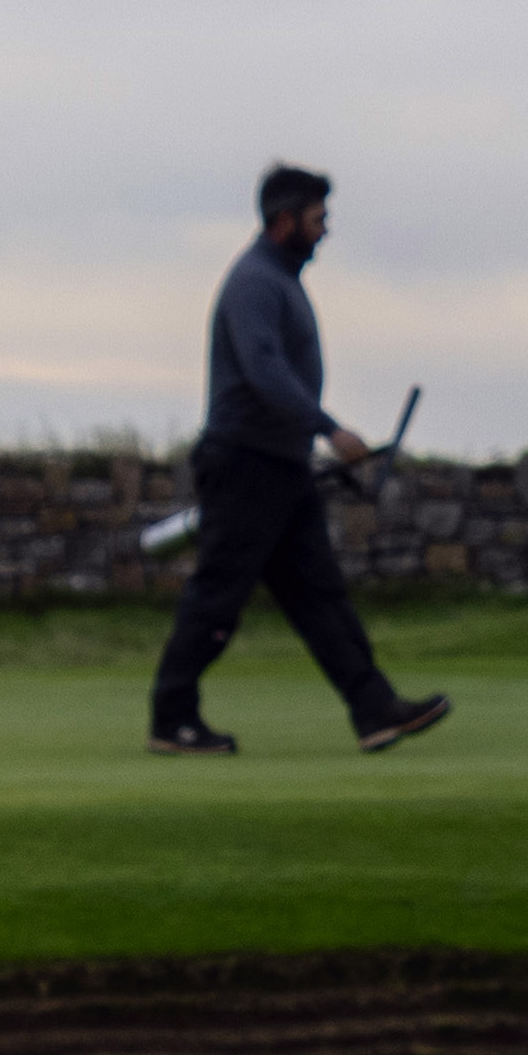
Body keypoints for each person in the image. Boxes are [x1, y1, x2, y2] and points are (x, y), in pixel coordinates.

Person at [152, 165, 450, 757]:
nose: (324, 231)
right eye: (317, 220)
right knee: (217, 597)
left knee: (320, 596)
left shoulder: (279, 279)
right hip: (245, 465)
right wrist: (329, 429)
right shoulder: (256, 284)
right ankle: (171, 720)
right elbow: (265, 373)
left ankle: (374, 711)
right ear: (284, 220)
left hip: (278, 468)